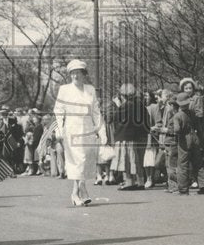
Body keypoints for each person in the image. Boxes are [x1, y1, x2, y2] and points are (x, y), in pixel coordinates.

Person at [53, 59, 107, 206]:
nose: (75, 76)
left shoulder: (90, 89)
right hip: (71, 129)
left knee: (86, 161)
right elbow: (58, 111)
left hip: (88, 129)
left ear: (84, 74)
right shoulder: (64, 89)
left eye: (78, 73)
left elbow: (96, 112)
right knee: (78, 160)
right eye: (72, 73)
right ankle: (82, 190)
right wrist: (59, 129)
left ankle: (76, 192)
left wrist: (102, 132)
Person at [110, 84, 149, 190]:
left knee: (127, 160)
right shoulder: (140, 105)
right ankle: (140, 182)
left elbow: (115, 119)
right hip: (141, 135)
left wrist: (118, 106)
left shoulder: (125, 106)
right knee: (138, 161)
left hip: (126, 136)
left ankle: (129, 182)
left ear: (123, 95)